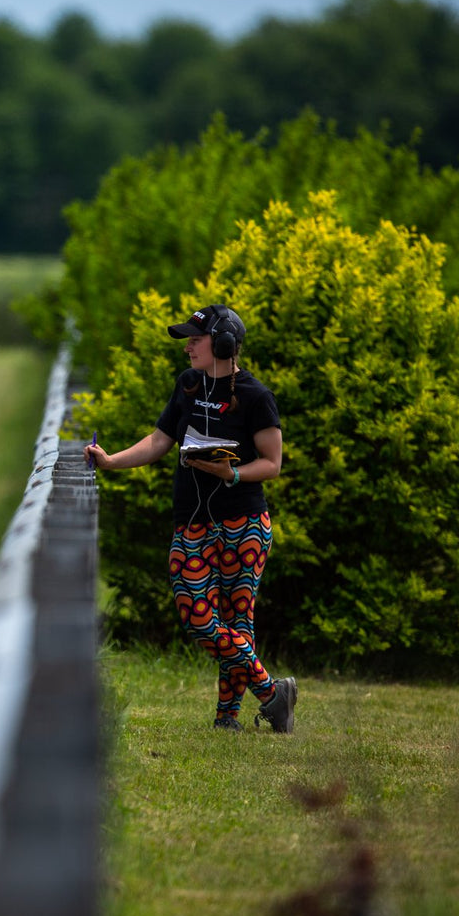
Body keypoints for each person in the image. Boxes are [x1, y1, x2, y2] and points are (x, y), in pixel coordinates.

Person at [83, 304, 296, 733]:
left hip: (244, 524)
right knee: (198, 618)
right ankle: (273, 693)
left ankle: (227, 719)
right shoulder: (186, 385)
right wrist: (110, 462)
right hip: (192, 523)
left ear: (223, 345)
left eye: (195, 340)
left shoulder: (256, 397)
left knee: (239, 619)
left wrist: (231, 472)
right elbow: (160, 440)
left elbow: (272, 464)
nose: (188, 348)